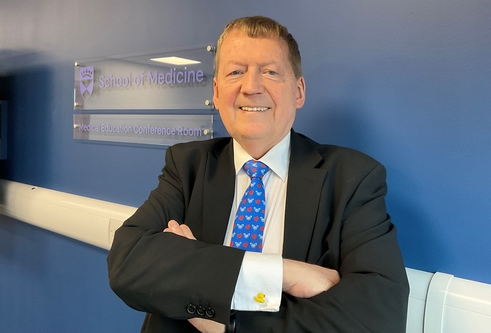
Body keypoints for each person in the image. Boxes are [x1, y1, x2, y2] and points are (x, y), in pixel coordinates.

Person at [107, 16, 409, 333]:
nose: (251, 87)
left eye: (270, 72)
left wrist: (226, 322)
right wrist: (282, 273)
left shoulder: (352, 180)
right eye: (236, 72)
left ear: (299, 91)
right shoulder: (187, 165)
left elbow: (378, 317)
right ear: (217, 92)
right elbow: (128, 264)